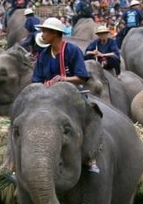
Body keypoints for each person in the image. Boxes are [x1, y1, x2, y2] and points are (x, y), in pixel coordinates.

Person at [31, 17, 99, 173]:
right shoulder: (44, 55)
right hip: (47, 97)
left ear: (54, 34)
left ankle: (90, 156)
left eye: (45, 32)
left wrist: (63, 79)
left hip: (70, 95)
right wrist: (44, 84)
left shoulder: (72, 51)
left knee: (89, 117)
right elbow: (36, 80)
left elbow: (81, 77)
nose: (42, 35)